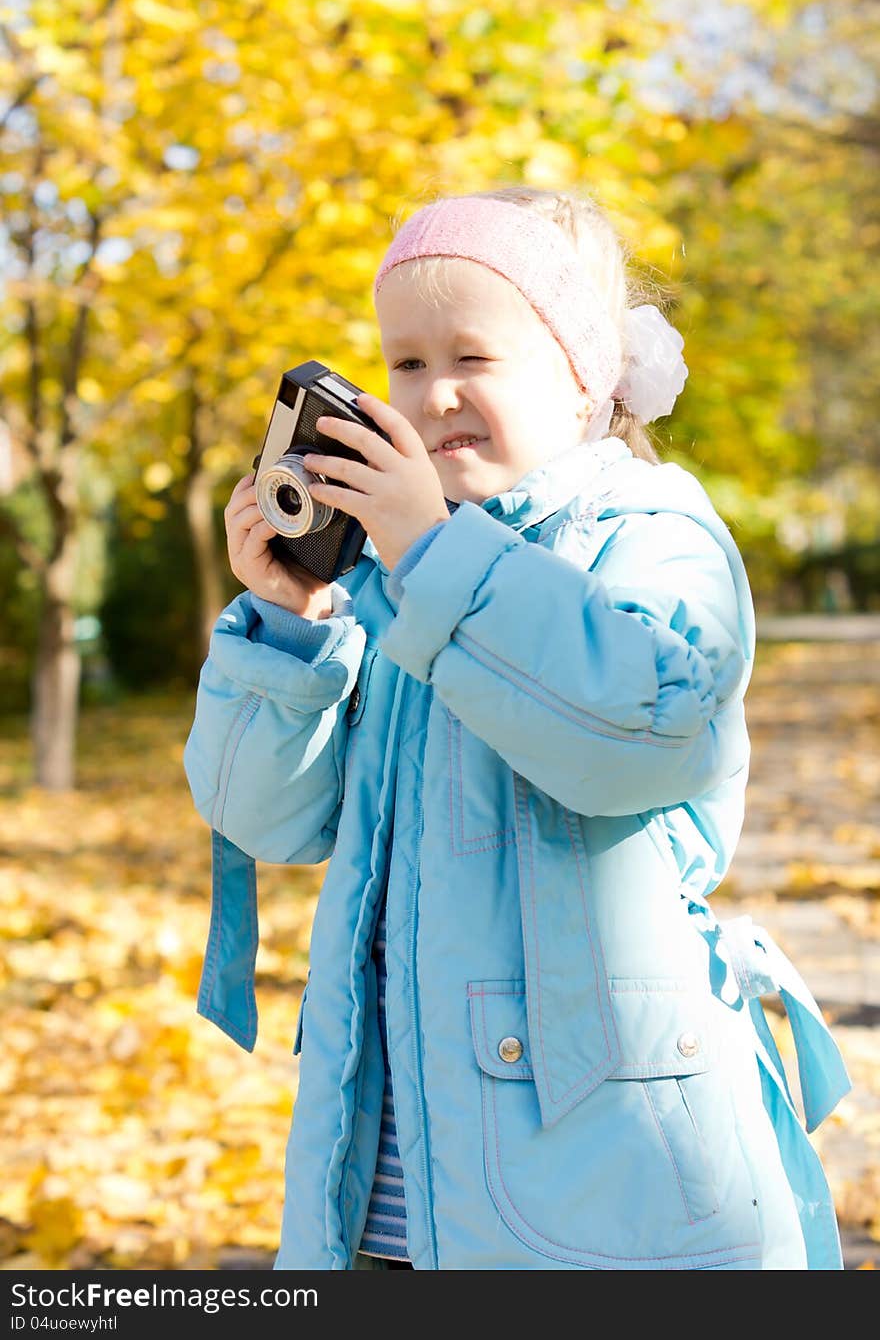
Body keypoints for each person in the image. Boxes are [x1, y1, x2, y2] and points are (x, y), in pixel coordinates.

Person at [183, 185, 851, 1270]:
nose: (432, 391)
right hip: (388, 1177)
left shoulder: (653, 530)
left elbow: (635, 736)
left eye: (472, 356)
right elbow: (268, 817)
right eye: (403, 362)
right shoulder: (396, 568)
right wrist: (285, 621)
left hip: (606, 1177)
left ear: (583, 376)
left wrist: (430, 558)